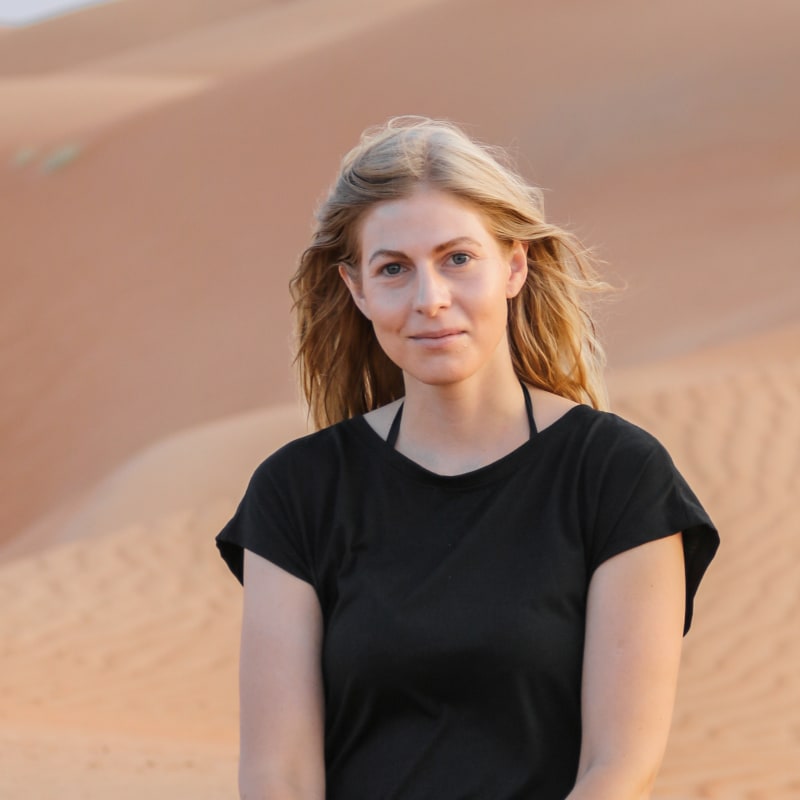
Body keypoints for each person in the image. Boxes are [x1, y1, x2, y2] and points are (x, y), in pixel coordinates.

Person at [215, 116, 719, 800]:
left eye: (457, 258)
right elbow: (279, 775)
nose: (431, 300)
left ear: (514, 265)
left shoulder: (619, 478)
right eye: (394, 269)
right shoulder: (297, 493)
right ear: (357, 288)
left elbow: (619, 767)